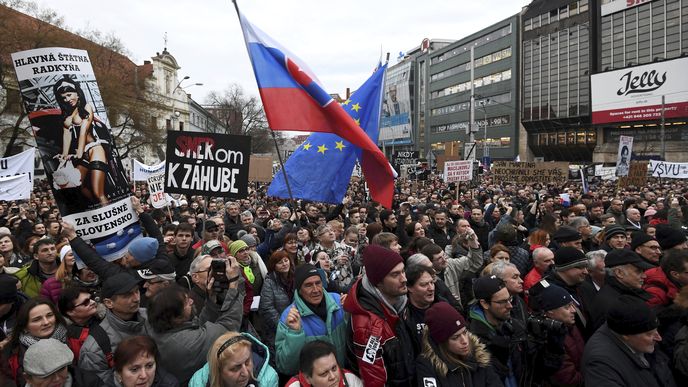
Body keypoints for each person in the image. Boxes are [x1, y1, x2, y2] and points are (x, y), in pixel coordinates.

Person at [148, 256, 244, 384]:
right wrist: (234, 285)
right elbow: (227, 328)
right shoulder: (185, 344)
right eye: (187, 303)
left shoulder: (163, 328)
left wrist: (211, 301)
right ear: (174, 316)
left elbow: (198, 327)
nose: (192, 301)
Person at [343, 244, 416, 387]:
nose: (404, 279)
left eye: (403, 271)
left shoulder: (399, 302)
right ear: (378, 282)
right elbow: (374, 381)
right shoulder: (368, 327)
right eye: (395, 274)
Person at [582, 296, 677, 387]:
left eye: (656, 330)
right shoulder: (601, 365)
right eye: (649, 334)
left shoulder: (635, 339)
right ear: (626, 335)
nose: (659, 338)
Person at [275, 263, 347, 376]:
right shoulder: (289, 317)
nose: (316, 289)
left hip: (342, 375)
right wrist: (295, 334)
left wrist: (351, 313)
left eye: (318, 283)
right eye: (308, 285)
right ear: (299, 290)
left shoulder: (338, 302)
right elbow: (285, 366)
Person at [53, 75, 114, 205]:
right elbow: (66, 136)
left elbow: (83, 131)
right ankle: (97, 208)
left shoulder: (86, 107)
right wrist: (64, 156)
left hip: (94, 149)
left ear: (78, 93)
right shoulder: (66, 115)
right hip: (80, 153)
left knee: (99, 193)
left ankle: (105, 208)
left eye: (69, 95)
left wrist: (79, 154)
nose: (67, 99)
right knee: (77, 186)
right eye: (64, 97)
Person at [79, 273, 151, 382]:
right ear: (109, 303)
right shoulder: (93, 349)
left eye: (137, 291)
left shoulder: (151, 318)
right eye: (127, 295)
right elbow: (97, 383)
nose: (136, 299)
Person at [415, 301, 502, 387]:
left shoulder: (479, 356)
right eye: (455, 338)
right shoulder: (428, 366)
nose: (464, 341)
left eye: (464, 332)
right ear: (442, 342)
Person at [468, 275, 525, 386]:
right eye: (502, 302)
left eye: (510, 299)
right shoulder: (474, 341)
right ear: (484, 303)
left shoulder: (515, 326)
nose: (510, 306)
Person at [530, 284, 584, 387]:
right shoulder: (550, 341)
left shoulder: (570, 325)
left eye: (572, 305)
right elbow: (568, 379)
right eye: (567, 307)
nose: (573, 310)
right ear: (550, 311)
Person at [6, 298, 68, 385]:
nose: (46, 322)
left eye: (49, 315)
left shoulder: (71, 337)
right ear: (25, 327)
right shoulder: (13, 352)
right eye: (37, 319)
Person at [588, 249, 653, 331]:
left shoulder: (623, 294)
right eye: (638, 271)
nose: (644, 276)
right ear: (619, 273)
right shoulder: (611, 304)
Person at [188, 331, 278, 387]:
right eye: (235, 368)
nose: (246, 373)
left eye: (247, 362)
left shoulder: (268, 379)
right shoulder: (198, 383)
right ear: (218, 369)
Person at [21, 338, 102, 387]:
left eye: (61, 369)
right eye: (47, 375)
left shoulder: (90, 383)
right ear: (28, 378)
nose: (57, 379)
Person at [259, 250, 294, 356]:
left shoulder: (295, 277)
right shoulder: (269, 282)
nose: (284, 264)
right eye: (280, 262)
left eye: (286, 260)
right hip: (278, 329)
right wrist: (282, 325)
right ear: (274, 266)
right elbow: (267, 308)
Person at [286, 340, 363, 387]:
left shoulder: (350, 381)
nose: (333, 377)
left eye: (334, 368)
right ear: (307, 378)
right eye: (324, 374)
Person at [107, 335, 178, 387]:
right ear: (119, 374)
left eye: (149, 366)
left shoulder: (169, 384)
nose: (144, 376)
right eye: (134, 369)